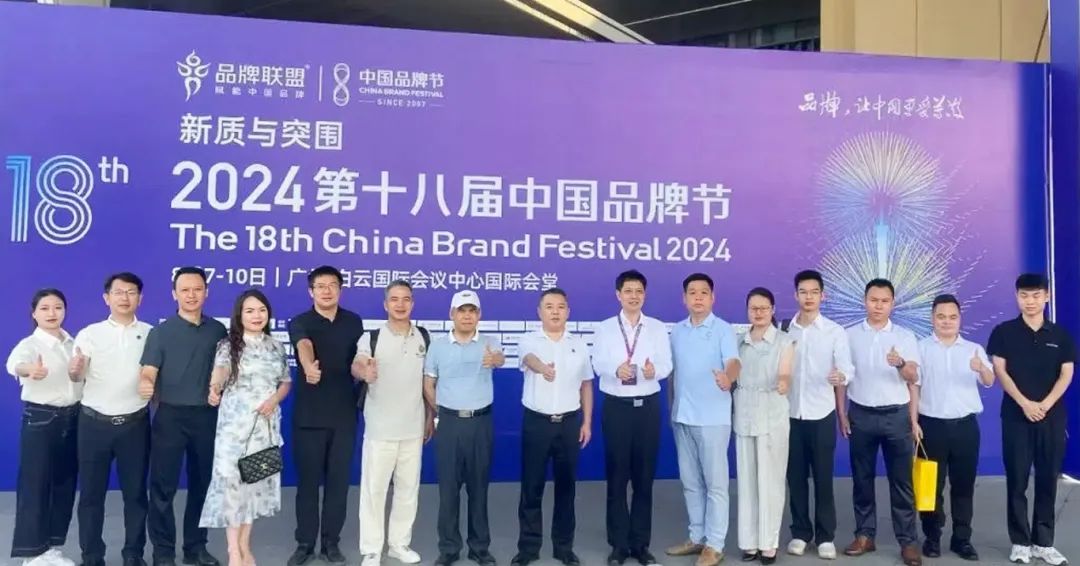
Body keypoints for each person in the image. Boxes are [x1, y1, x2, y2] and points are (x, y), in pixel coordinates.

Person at [139, 267, 227, 566]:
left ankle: (196, 547)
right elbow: (149, 370)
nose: (191, 295)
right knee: (163, 488)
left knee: (202, 485)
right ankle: (163, 552)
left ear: (206, 292)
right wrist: (146, 382)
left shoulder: (218, 331)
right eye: (185, 290)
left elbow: (225, 369)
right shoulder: (161, 332)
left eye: (197, 289)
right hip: (170, 418)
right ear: (174, 294)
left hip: (207, 417)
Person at [200, 289, 292, 566]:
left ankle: (244, 544)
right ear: (239, 315)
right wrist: (214, 388)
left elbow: (285, 382)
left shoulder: (275, 347)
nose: (256, 316)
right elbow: (220, 371)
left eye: (261, 310)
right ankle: (233, 551)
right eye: (250, 311)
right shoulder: (228, 345)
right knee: (233, 487)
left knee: (253, 484)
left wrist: (274, 399)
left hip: (264, 428)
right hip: (233, 429)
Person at [988, 273, 1075, 566]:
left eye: (1036, 295)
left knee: (1048, 479)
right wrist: (1025, 403)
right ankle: (1020, 542)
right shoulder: (1004, 332)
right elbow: (1000, 370)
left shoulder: (1060, 335)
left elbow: (1066, 373)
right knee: (1017, 480)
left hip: (1052, 418)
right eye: (1024, 296)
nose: (1030, 301)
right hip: (1016, 417)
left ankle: (1043, 543)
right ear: (1017, 297)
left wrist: (1045, 405)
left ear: (1046, 297)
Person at [70, 273, 153, 566]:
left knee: (136, 495)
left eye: (131, 292)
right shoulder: (90, 333)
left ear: (140, 298)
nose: (124, 297)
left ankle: (133, 554)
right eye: (118, 292)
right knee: (91, 496)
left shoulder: (151, 333)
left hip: (135, 424)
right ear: (107, 298)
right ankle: (92, 556)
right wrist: (75, 370)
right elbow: (76, 375)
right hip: (94, 425)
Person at [591, 269, 672, 566]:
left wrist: (654, 371)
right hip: (617, 408)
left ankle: (640, 544)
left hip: (647, 408)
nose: (634, 296)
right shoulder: (604, 328)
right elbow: (597, 362)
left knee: (644, 478)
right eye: (628, 291)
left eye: (639, 291)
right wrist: (615, 369)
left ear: (644, 295)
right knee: (617, 478)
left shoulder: (657, 328)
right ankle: (618, 544)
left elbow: (666, 364)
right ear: (618, 295)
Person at [286, 266, 366, 566]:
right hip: (309, 416)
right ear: (311, 291)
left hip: (344, 414)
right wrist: (308, 366)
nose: (327, 291)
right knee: (307, 484)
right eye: (320, 286)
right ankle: (305, 543)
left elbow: (359, 359)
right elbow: (304, 344)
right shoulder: (300, 322)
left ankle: (331, 542)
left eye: (332, 285)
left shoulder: (353, 322)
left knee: (338, 483)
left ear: (340, 289)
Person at [351, 281, 434, 566]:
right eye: (394, 299)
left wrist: (431, 416)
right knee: (373, 491)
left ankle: (399, 544)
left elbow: (428, 383)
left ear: (412, 303)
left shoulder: (424, 337)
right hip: (380, 429)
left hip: (413, 427)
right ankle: (372, 549)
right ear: (386, 304)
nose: (400, 304)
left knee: (408, 490)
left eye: (406, 299)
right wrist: (364, 372)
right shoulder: (371, 338)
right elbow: (357, 364)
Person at [840, 278, 922, 566]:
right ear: (865, 301)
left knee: (902, 482)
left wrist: (900, 363)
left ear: (892, 304)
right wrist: (842, 413)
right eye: (873, 300)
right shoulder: (849, 335)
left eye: (884, 301)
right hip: (860, 414)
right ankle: (865, 535)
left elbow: (913, 376)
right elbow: (842, 377)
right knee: (862, 480)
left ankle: (908, 541)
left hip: (896, 416)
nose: (878, 306)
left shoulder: (905, 336)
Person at [510, 288, 594, 566]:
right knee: (531, 488)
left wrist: (587, 422)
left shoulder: (579, 344)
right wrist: (543, 369)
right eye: (549, 306)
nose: (555, 311)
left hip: (569, 424)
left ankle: (563, 547)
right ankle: (528, 548)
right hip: (537, 423)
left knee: (566, 489)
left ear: (568, 312)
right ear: (539, 312)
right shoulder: (528, 339)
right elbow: (529, 359)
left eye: (560, 307)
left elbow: (586, 385)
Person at [424, 290, 505, 566]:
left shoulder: (490, 343)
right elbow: (428, 383)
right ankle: (449, 548)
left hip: (481, 423)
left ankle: (479, 548)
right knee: (448, 490)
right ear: (452, 314)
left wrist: (495, 360)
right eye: (462, 310)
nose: (467, 316)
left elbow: (499, 359)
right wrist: (441, 411)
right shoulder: (438, 346)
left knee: (478, 488)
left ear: (479, 315)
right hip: (449, 423)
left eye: (472, 311)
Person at [665, 273, 739, 566]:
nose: (698, 297)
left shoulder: (723, 330)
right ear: (684, 298)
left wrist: (728, 378)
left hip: (712, 418)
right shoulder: (677, 331)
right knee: (690, 482)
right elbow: (672, 373)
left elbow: (734, 362)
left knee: (716, 485)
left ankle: (715, 544)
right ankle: (697, 536)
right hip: (682, 416)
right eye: (692, 292)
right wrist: (672, 410)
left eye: (704, 292)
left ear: (712, 298)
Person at [6, 288, 81, 566]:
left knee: (64, 485)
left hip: (73, 418)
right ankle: (31, 554)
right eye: (45, 308)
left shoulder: (73, 343)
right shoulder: (30, 344)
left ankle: (50, 547)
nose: (52, 313)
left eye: (58, 307)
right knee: (35, 485)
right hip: (41, 418)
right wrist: (30, 370)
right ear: (34, 313)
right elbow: (14, 364)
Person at [914, 294, 992, 561]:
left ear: (960, 319)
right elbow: (914, 387)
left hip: (965, 428)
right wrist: (913, 422)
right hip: (931, 426)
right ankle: (932, 537)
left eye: (952, 317)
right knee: (930, 486)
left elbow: (990, 380)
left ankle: (962, 539)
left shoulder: (973, 349)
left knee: (963, 485)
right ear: (932, 318)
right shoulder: (921, 348)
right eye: (941, 317)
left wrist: (981, 368)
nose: (946, 322)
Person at [782, 270, 853, 560]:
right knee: (795, 477)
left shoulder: (835, 332)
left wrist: (841, 376)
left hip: (821, 413)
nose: (808, 297)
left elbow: (847, 369)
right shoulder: (784, 330)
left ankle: (825, 536)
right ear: (795, 295)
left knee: (823, 478)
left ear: (823, 295)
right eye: (803, 291)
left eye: (814, 292)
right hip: (789, 414)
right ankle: (800, 532)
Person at [735, 287, 793, 565]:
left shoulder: (785, 341)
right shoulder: (739, 341)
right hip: (744, 411)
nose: (758, 313)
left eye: (763, 308)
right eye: (753, 308)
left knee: (770, 481)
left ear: (773, 310)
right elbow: (731, 372)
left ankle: (768, 543)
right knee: (747, 479)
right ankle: (748, 542)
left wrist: (783, 381)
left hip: (772, 413)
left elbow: (786, 373)